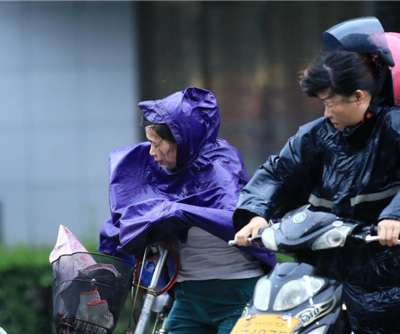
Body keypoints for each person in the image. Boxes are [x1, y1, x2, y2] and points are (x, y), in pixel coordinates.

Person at [233, 17, 400, 334]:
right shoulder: (318, 136)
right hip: (349, 280)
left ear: (360, 96)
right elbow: (278, 174)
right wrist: (255, 214)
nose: (326, 113)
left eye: (330, 102)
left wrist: (398, 216)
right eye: (322, 103)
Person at [98, 87, 276, 334]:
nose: (151, 153)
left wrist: (175, 212)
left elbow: (231, 215)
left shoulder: (219, 164)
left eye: (157, 144)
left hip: (239, 289)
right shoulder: (163, 173)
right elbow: (132, 214)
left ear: (180, 140)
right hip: (188, 295)